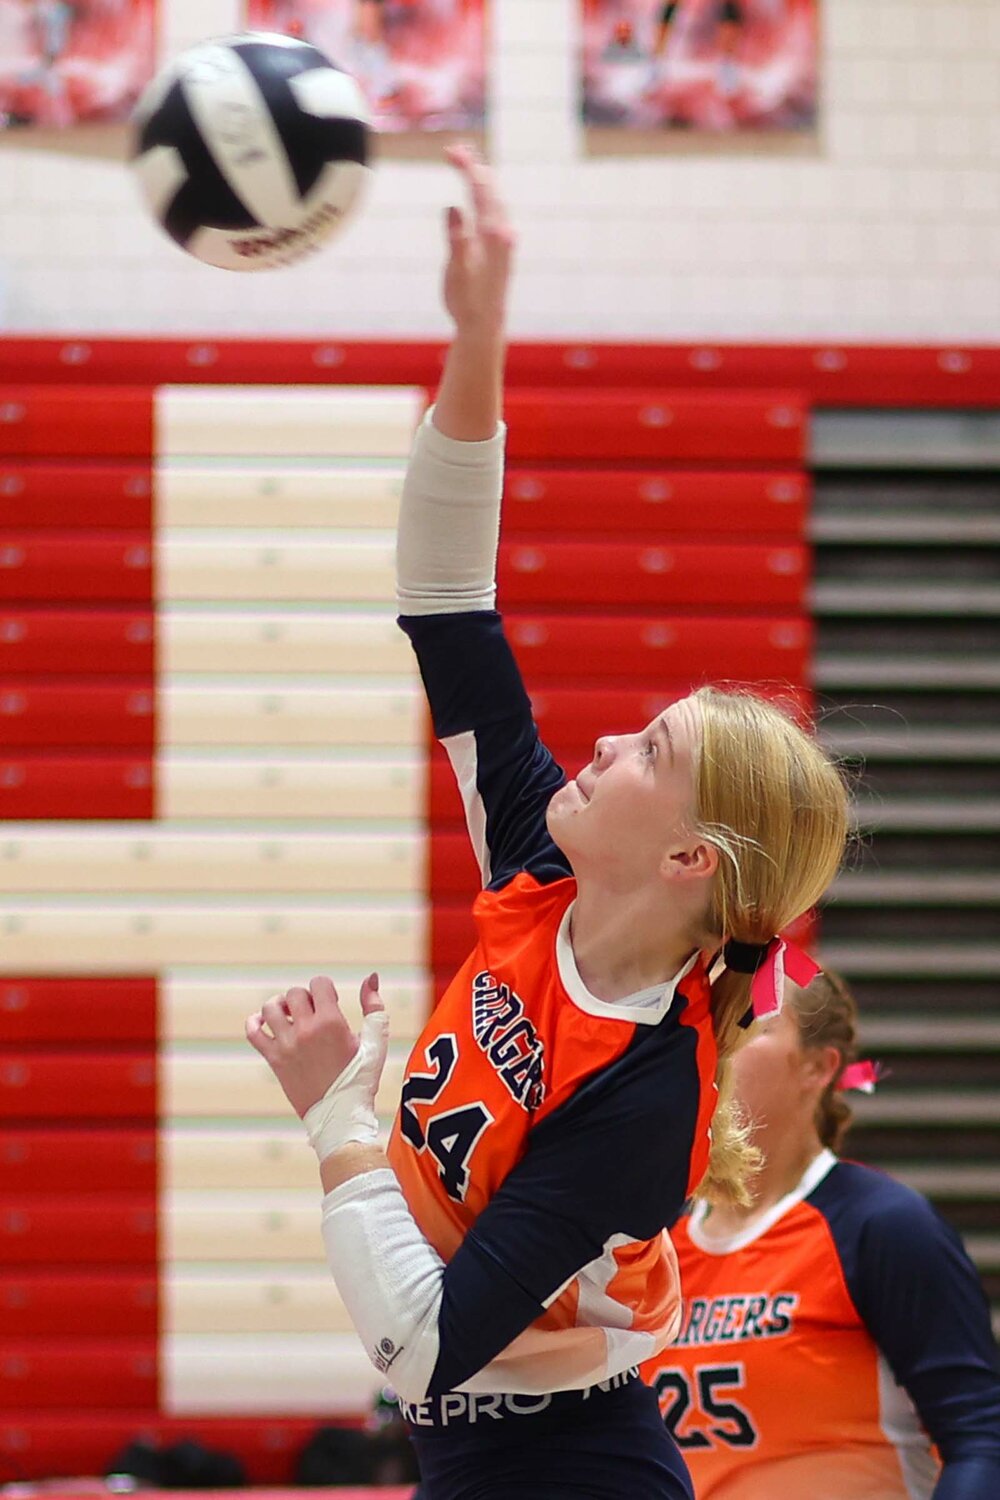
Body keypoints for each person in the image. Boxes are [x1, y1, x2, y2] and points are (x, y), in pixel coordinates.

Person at [245, 144, 850, 1500]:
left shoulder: (646, 1096)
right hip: (476, 1454)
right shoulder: (538, 865)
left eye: (650, 750)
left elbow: (414, 1349)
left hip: (566, 1465)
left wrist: (340, 1116)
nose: (602, 744)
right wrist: (478, 338)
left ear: (690, 860)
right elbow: (449, 594)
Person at [641, 968, 1000, 1499]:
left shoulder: (883, 1225)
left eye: (748, 1023)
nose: (717, 1040)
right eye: (711, 1017)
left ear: (818, 1067)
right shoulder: (652, 1240)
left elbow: (980, 1437)